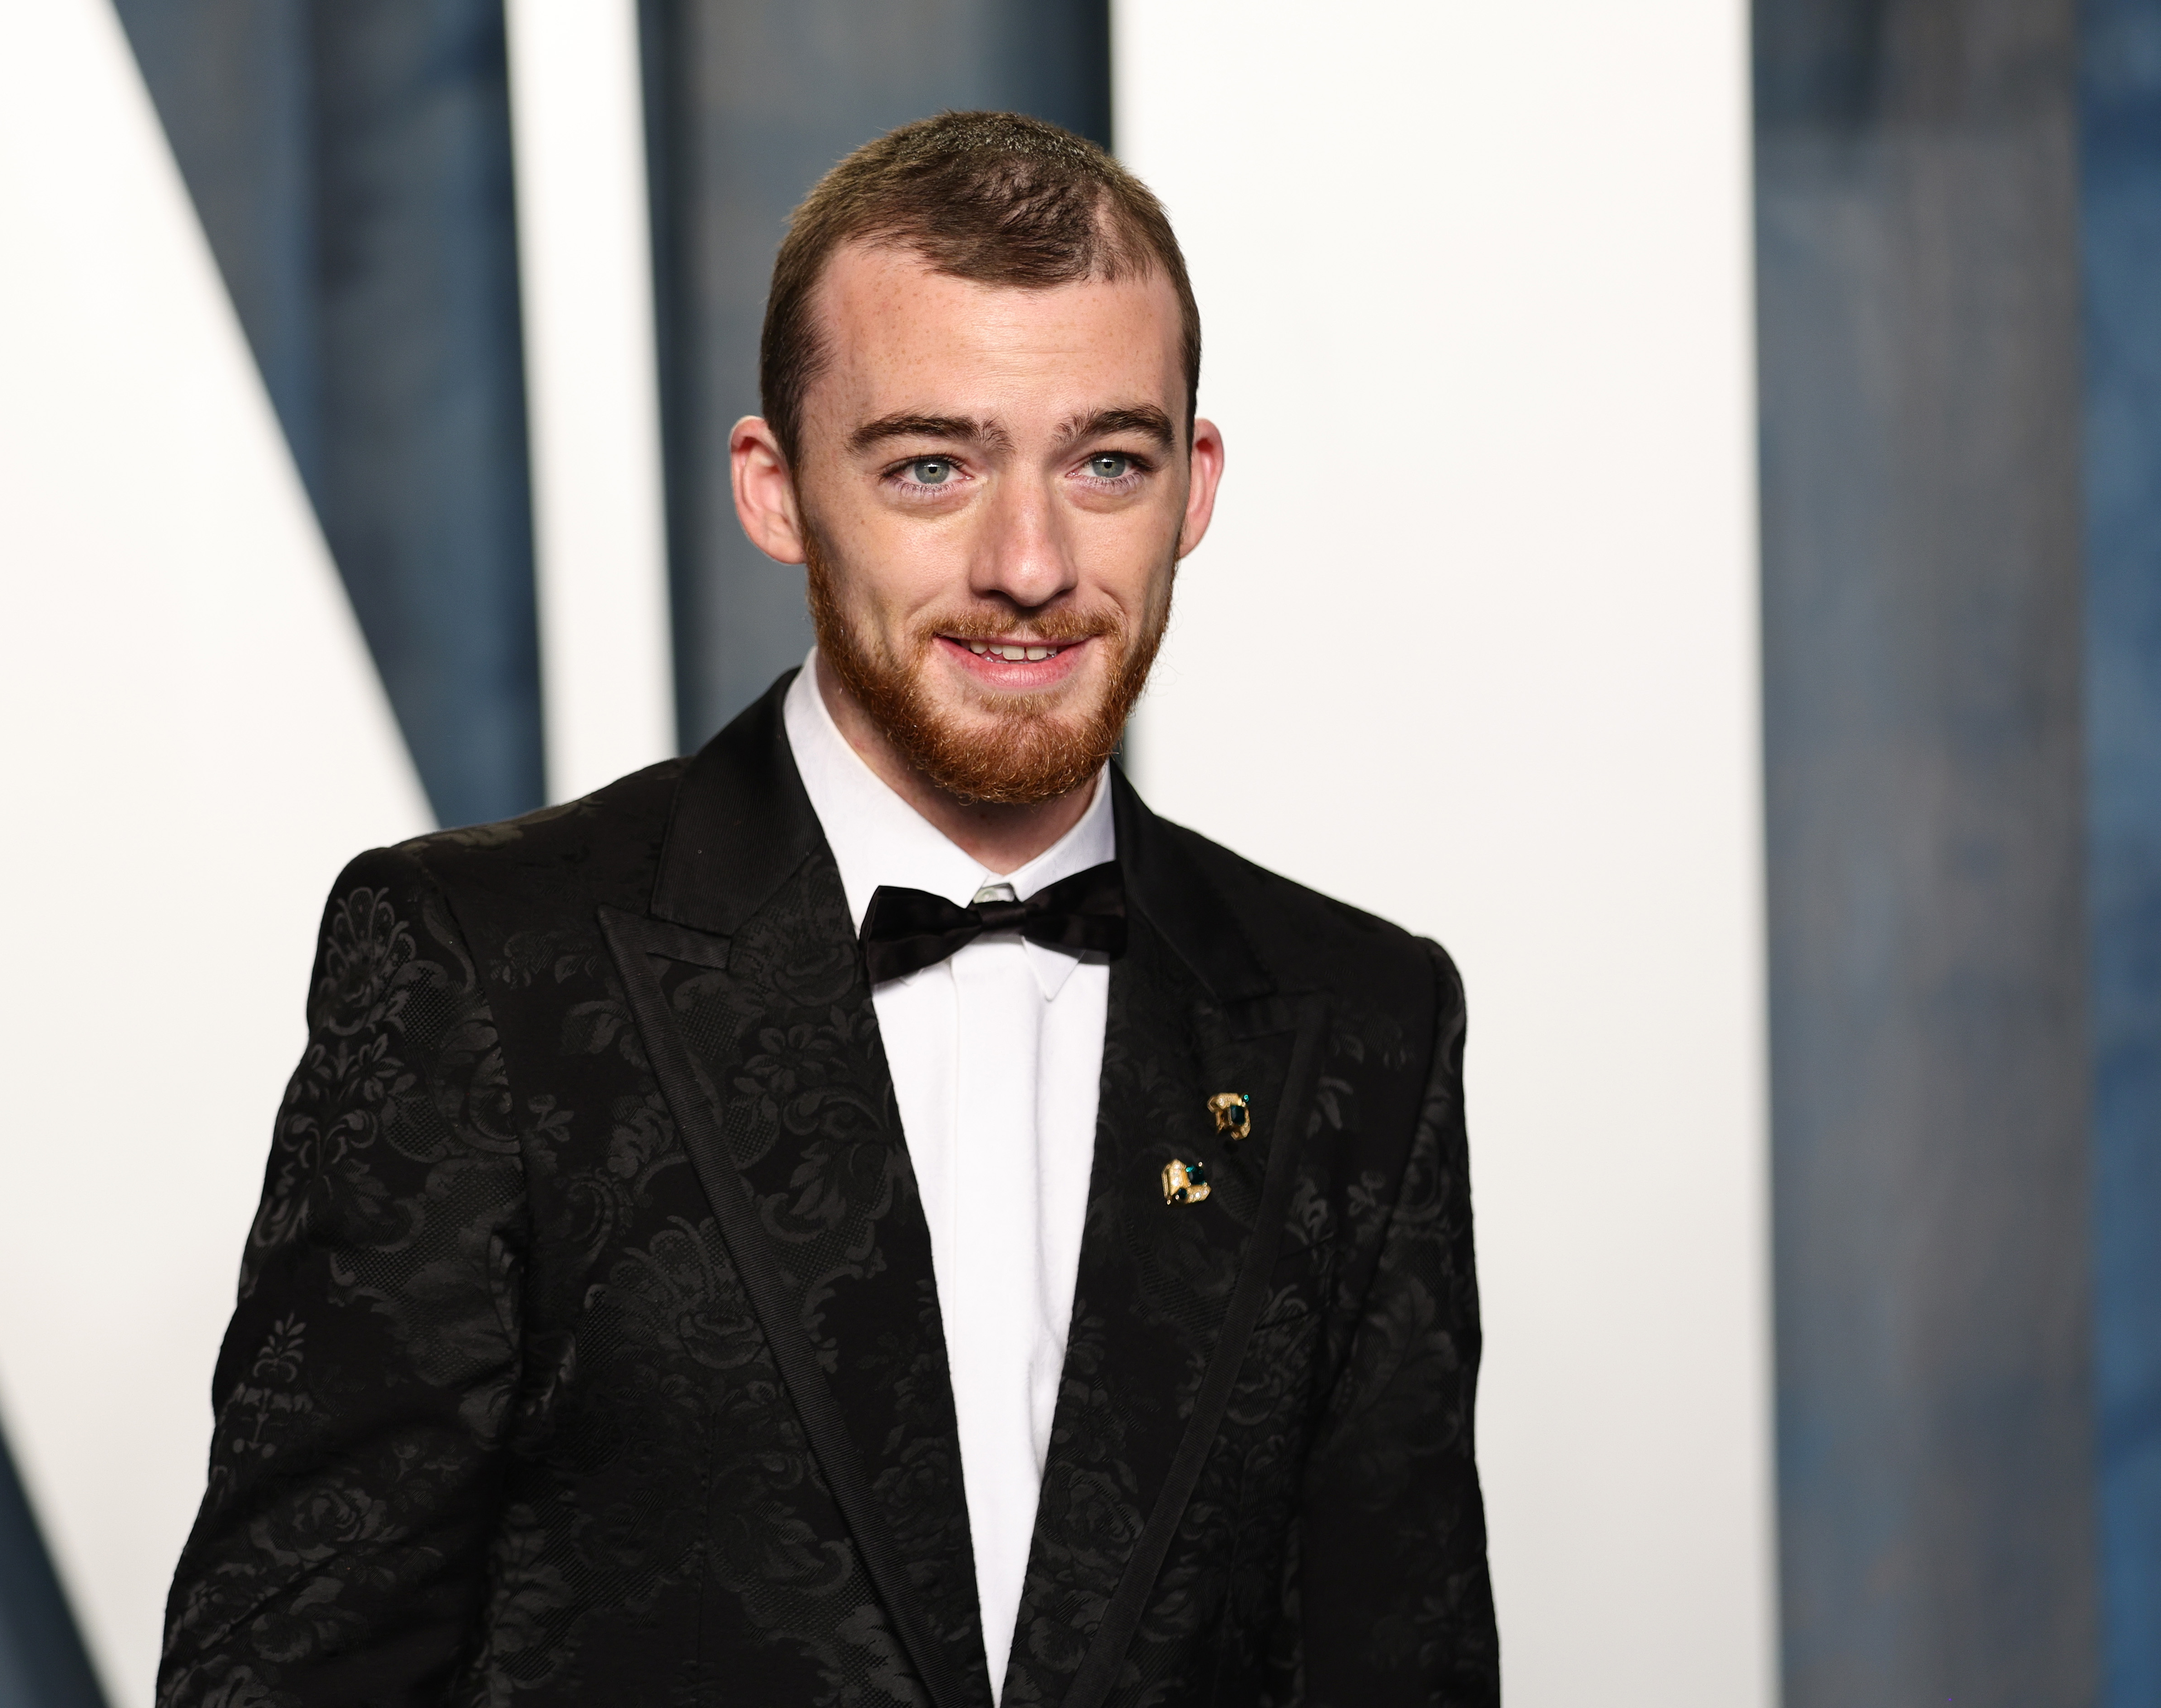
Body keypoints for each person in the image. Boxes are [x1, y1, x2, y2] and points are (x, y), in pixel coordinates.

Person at [159, 110, 1495, 1708]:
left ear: (1193, 486)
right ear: (777, 490)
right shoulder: (485, 970)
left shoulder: (1361, 1024)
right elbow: (283, 1677)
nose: (1029, 560)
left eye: (1106, 462)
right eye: (933, 464)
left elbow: (1396, 1665)